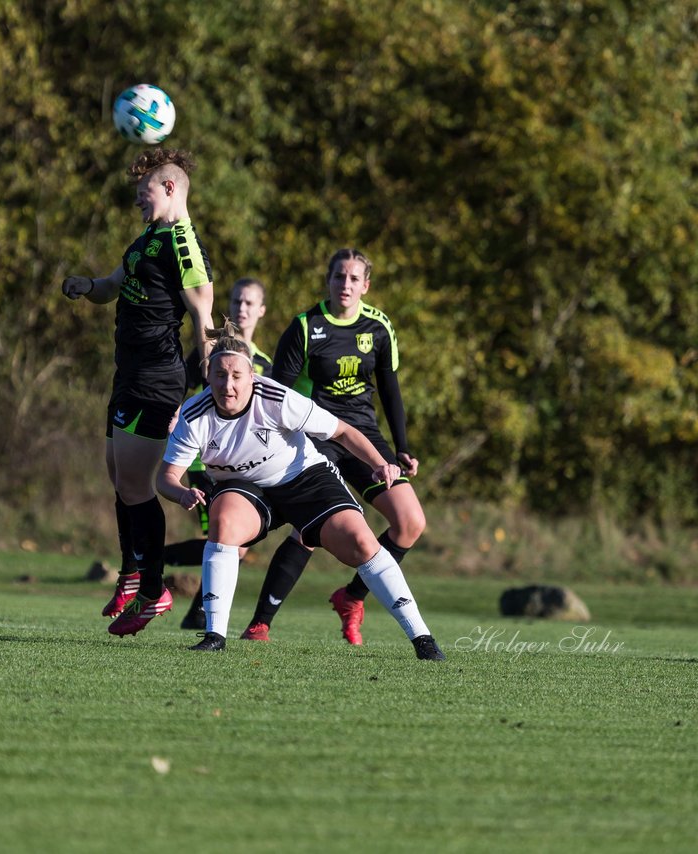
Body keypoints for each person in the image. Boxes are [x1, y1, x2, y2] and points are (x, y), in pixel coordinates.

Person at [156, 321, 444, 659]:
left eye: (236, 376)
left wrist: (379, 463)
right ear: (208, 374)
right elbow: (166, 478)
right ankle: (214, 636)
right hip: (247, 488)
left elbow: (342, 432)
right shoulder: (194, 414)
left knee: (361, 543)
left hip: (304, 478)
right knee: (224, 522)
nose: (228, 385)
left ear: (252, 376)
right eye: (220, 375)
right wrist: (181, 493)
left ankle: (423, 640)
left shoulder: (277, 398)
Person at [62, 148, 215, 636]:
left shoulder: (182, 243)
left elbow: (203, 318)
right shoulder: (149, 237)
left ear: (169, 188)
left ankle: (153, 590)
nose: (137, 201)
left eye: (143, 192)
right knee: (118, 478)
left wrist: (201, 386)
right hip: (127, 374)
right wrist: (88, 285)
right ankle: (133, 569)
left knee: (135, 486)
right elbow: (112, 284)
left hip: (156, 379)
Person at [240, 248, 425, 644]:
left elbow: (390, 391)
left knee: (410, 523)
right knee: (307, 531)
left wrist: (403, 447)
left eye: (354, 279)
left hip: (363, 437)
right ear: (329, 280)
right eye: (339, 277)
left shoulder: (378, 327)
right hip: (316, 435)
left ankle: (351, 596)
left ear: (366, 285)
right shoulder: (306, 326)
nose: (346, 285)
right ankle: (260, 623)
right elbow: (278, 391)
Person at [167, 277, 273, 630]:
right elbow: (181, 387)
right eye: (236, 301)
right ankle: (195, 609)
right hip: (204, 459)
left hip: (244, 462)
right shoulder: (207, 352)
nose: (241, 308)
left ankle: (155, 564)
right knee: (227, 539)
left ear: (261, 310)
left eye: (249, 302)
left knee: (232, 540)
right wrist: (173, 415)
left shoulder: (265, 364)